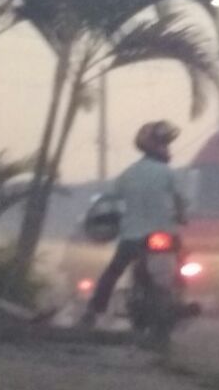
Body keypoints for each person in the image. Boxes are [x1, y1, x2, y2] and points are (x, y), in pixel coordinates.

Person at [77, 121, 187, 328]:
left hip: (132, 236)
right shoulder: (169, 173)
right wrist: (182, 216)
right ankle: (176, 297)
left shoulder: (128, 174)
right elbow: (180, 200)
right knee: (179, 261)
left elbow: (110, 200)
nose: (167, 149)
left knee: (113, 272)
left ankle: (93, 312)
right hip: (164, 233)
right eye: (164, 145)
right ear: (156, 147)